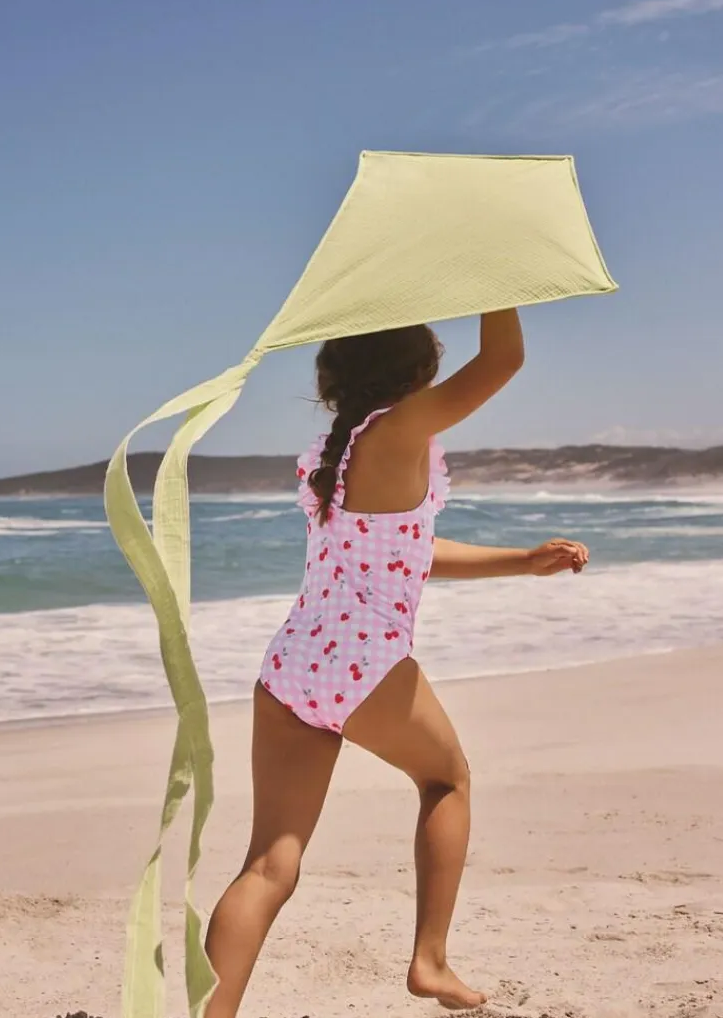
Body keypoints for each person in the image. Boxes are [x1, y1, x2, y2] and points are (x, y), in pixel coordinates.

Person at [204, 310, 589, 1014]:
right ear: (417, 374)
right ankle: (430, 961)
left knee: (268, 865)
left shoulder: (341, 449)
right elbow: (503, 361)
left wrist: (522, 563)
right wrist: (499, 286)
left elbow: (407, 553)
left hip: (291, 665)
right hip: (364, 663)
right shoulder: (403, 427)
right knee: (447, 780)